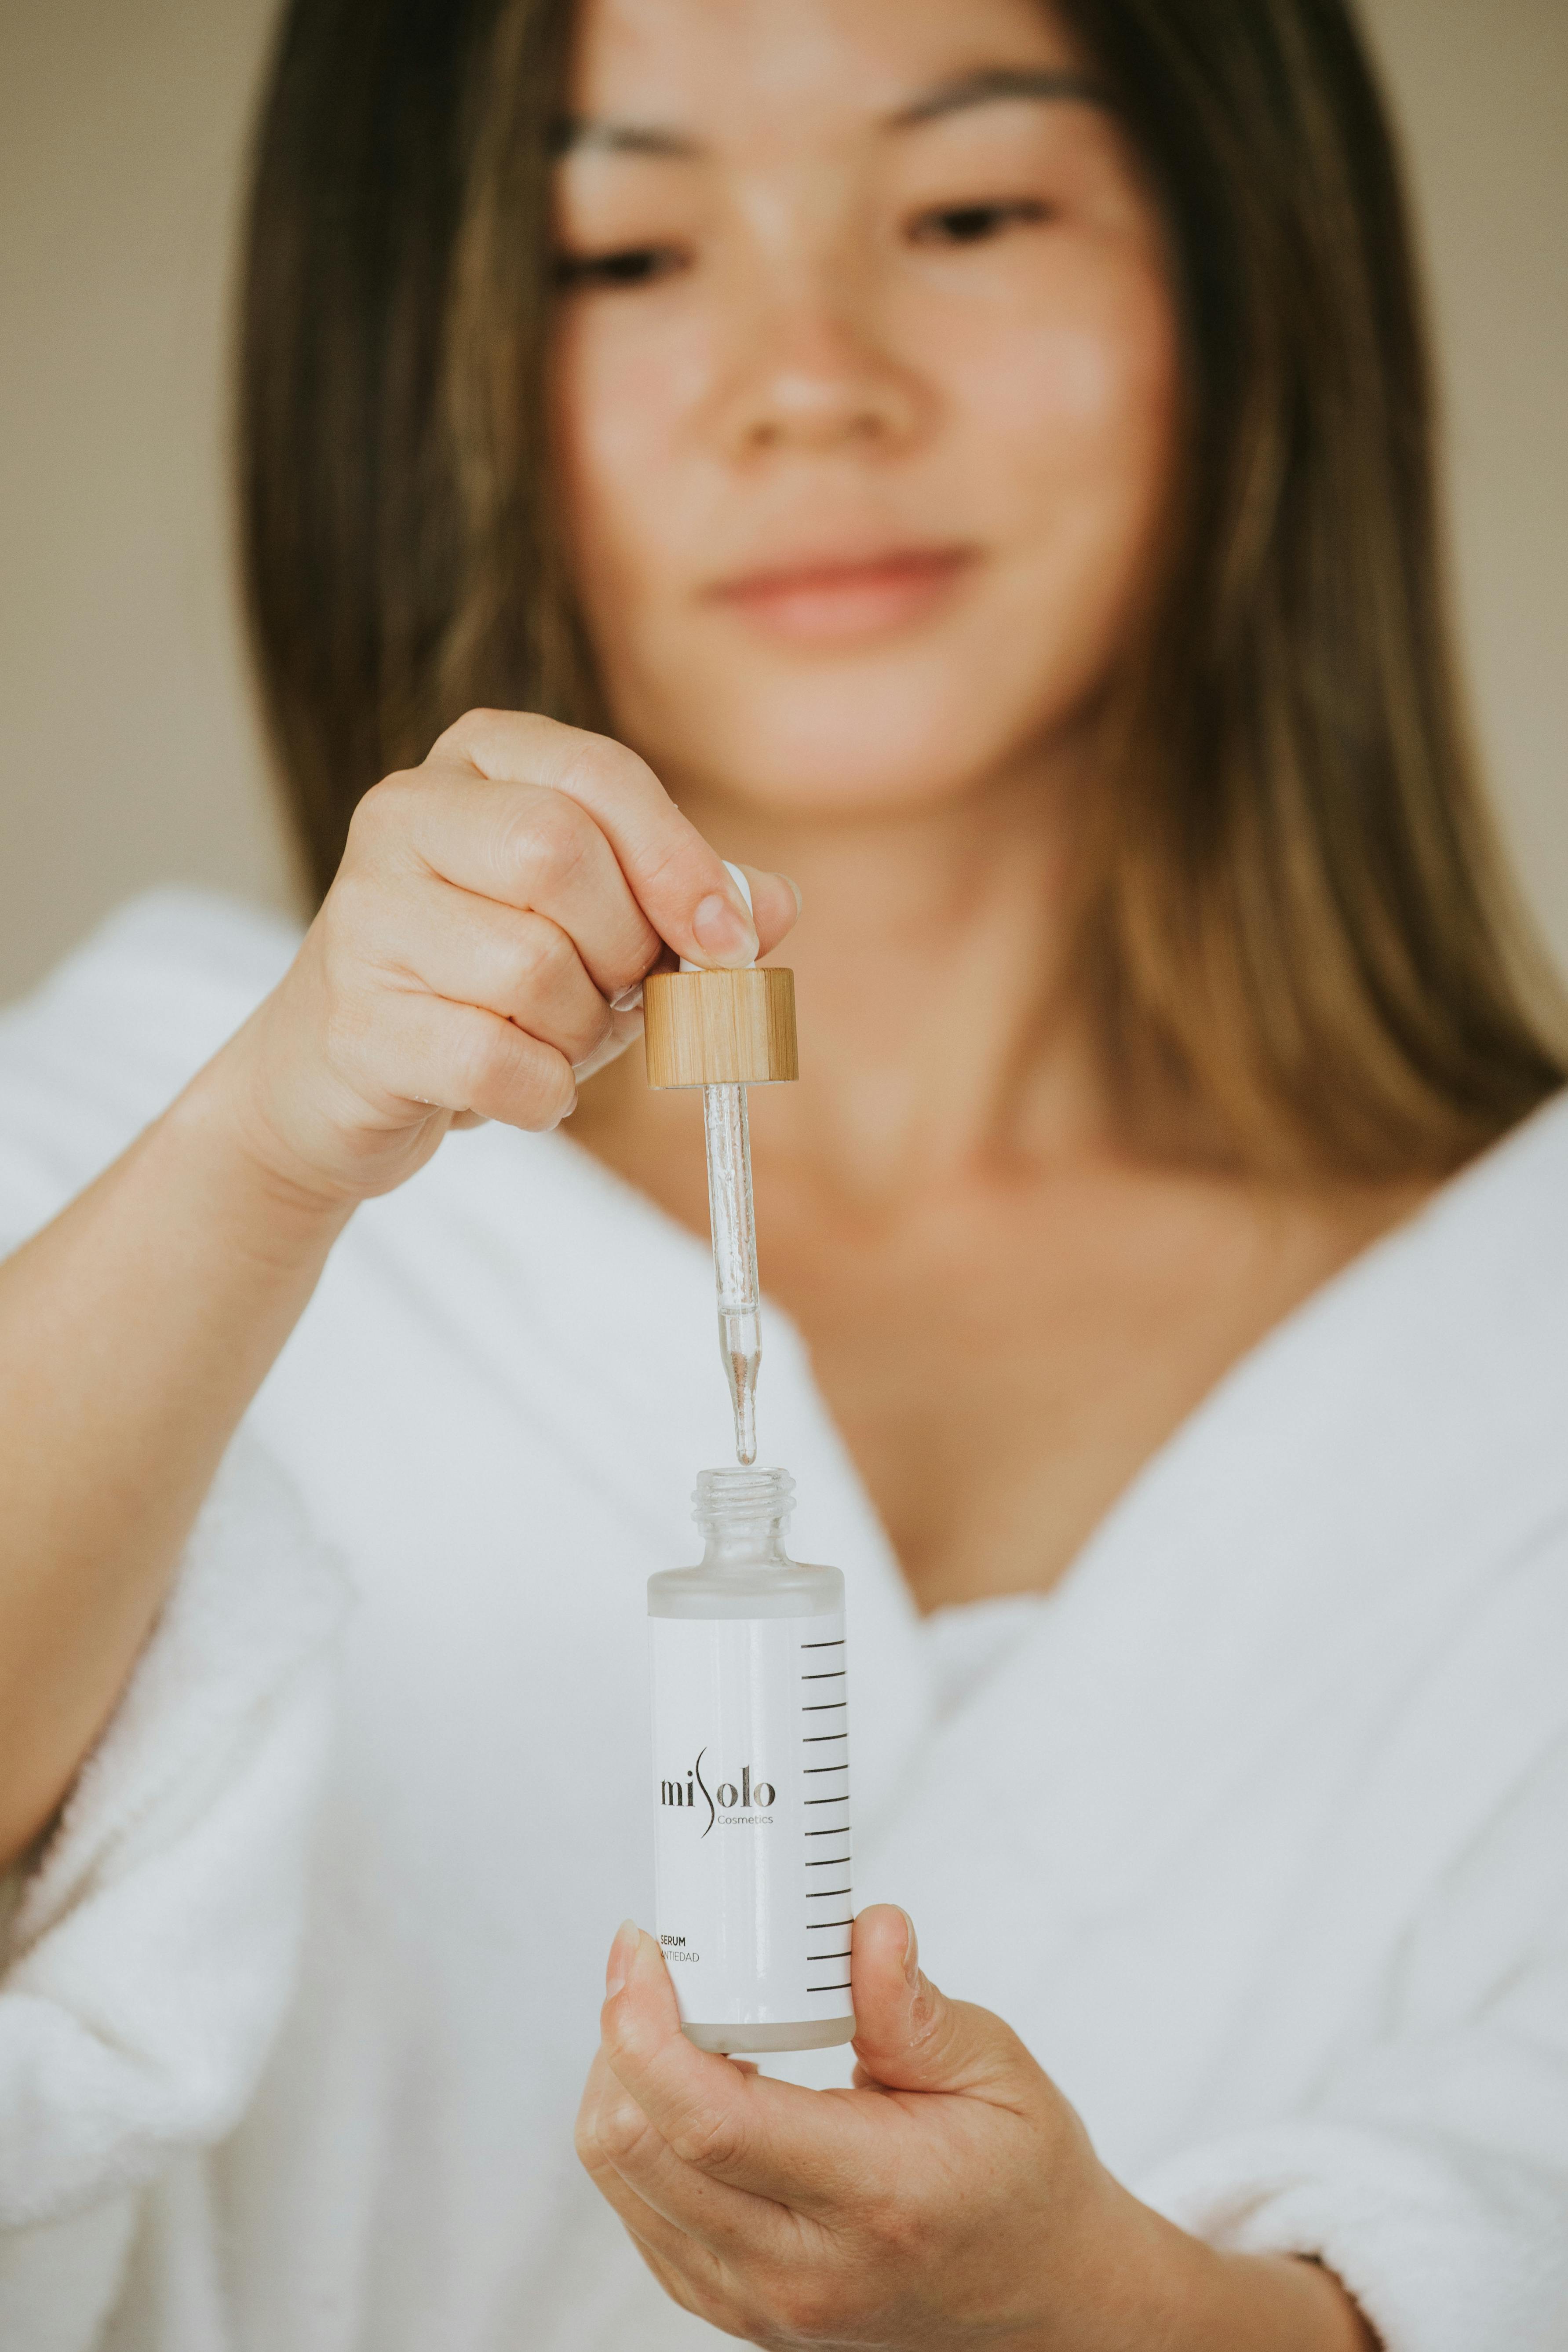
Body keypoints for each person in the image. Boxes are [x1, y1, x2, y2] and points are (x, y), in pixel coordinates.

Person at [1, 0, 1564, 2344]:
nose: (808, 375)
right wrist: (262, 1154)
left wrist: (1107, 2320)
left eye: (968, 210)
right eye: (622, 252)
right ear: (406, 341)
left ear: (1248, 286)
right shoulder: (143, 1141)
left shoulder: (1517, 1333)